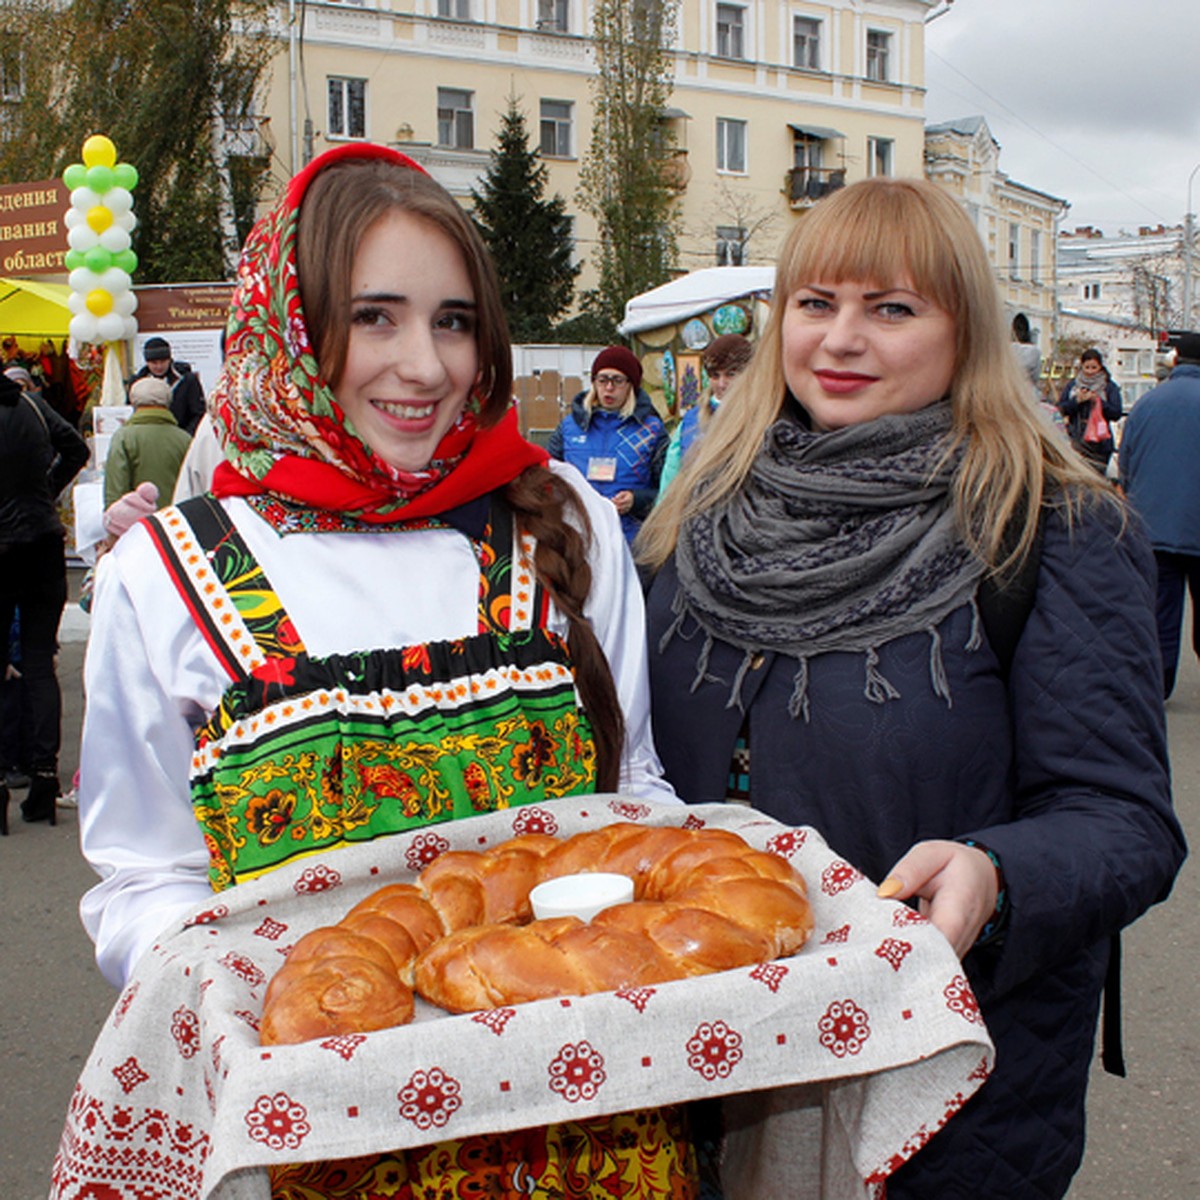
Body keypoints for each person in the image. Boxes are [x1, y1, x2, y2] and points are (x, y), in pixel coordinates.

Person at [74, 143, 693, 1198]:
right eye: (375, 316)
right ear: (287, 324)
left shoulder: (562, 517)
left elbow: (632, 793)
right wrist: (232, 994)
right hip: (325, 1141)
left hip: (588, 1129)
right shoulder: (168, 574)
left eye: (454, 320)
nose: (425, 366)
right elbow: (146, 873)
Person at [638, 177, 1185, 1200]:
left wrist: (997, 873)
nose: (842, 339)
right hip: (702, 1060)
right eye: (816, 303)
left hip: (934, 1085)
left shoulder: (1052, 527)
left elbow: (1126, 823)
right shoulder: (705, 511)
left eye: (891, 308)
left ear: (963, 332)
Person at [0, 360, 89, 827]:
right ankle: (43, 776)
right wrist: (42, 493)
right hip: (41, 541)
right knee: (39, 660)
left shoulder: (32, 407)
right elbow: (76, 449)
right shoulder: (32, 406)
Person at [1119, 330, 1200, 698]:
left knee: (1160, 612)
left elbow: (1126, 464)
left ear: (1175, 360)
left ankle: (1159, 684)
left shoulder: (1148, 403)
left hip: (1154, 526)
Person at [547, 345, 668, 546]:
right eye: (602, 380)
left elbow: (669, 489)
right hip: (579, 538)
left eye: (617, 380)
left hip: (631, 542)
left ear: (631, 385)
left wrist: (636, 500)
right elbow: (547, 477)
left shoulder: (651, 430)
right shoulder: (569, 427)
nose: (609, 387)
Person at [659, 333, 753, 495]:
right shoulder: (691, 421)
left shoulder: (762, 416)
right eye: (715, 376)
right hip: (696, 512)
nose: (722, 384)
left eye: (731, 374)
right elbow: (671, 479)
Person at [102, 376, 191, 511]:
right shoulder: (184, 439)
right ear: (168, 403)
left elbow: (115, 490)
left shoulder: (124, 437)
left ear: (133, 402)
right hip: (176, 522)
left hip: (137, 525)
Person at [1058, 346, 1123, 474]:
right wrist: (1077, 401)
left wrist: (1099, 402)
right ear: (1081, 367)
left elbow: (1116, 413)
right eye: (1087, 367)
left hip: (1100, 443)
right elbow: (1061, 409)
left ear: (1100, 367)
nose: (1090, 371)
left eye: (1094, 368)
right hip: (1076, 439)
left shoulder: (1109, 386)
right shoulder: (1073, 385)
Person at [128, 335, 207, 435]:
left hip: (182, 435)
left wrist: (186, 436)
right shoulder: (137, 383)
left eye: (163, 361)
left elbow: (198, 413)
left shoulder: (187, 380)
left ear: (170, 359)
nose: (159, 366)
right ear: (147, 362)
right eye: (154, 363)